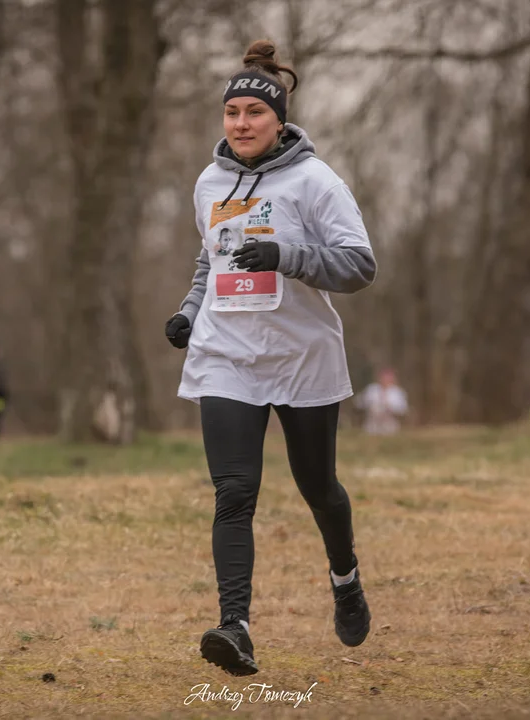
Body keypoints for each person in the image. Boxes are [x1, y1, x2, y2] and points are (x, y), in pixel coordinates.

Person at [164, 39, 376, 676]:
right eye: (231, 114)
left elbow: (360, 266)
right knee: (234, 491)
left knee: (318, 489)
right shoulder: (209, 180)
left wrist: (288, 257)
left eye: (253, 114)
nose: (241, 124)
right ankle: (235, 627)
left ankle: (345, 578)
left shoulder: (315, 181)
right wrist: (188, 310)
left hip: (300, 357)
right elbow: (211, 256)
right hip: (226, 354)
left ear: (278, 120)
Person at [354, 368, 409, 435]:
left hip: (390, 425)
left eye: (388, 377)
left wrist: (390, 407)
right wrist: (368, 403)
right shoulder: (372, 389)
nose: (385, 380)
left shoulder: (397, 392)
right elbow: (359, 403)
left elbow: (403, 409)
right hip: (372, 425)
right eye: (383, 377)